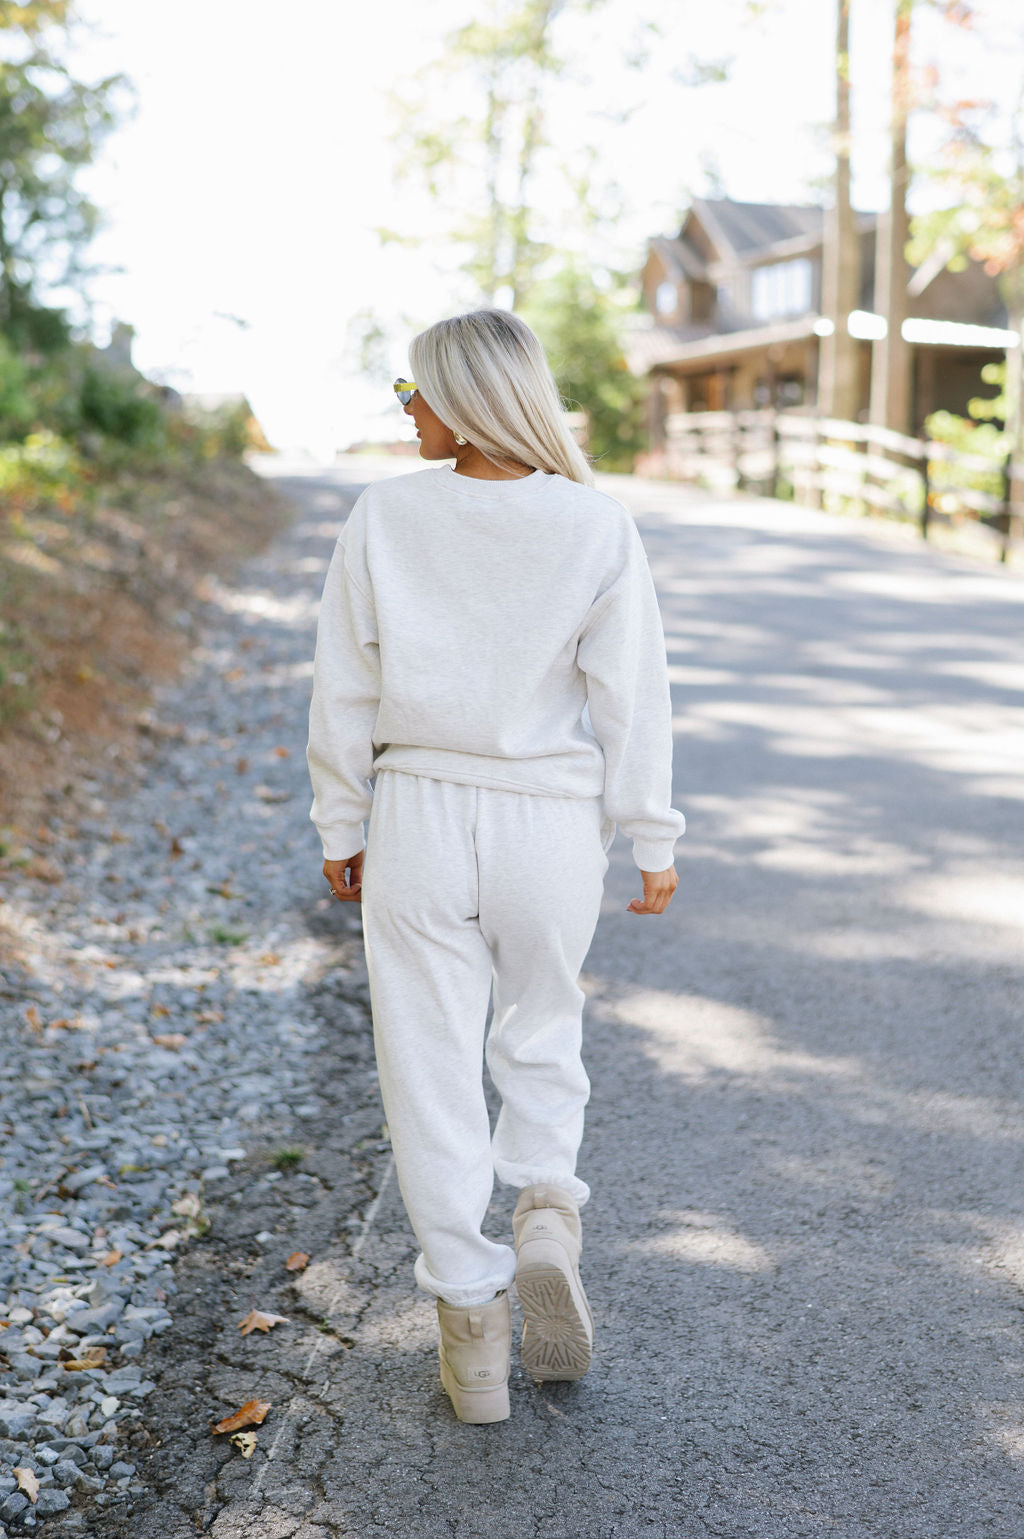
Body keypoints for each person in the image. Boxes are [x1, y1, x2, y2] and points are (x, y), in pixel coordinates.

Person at [306, 308, 684, 1424]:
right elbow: (632, 696)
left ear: (465, 398)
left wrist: (342, 824)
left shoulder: (384, 515)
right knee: (541, 1024)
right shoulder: (595, 526)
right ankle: (548, 1213)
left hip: (420, 812)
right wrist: (650, 834)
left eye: (413, 391)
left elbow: (345, 686)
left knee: (425, 1065)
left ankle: (470, 1332)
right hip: (551, 825)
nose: (407, 409)